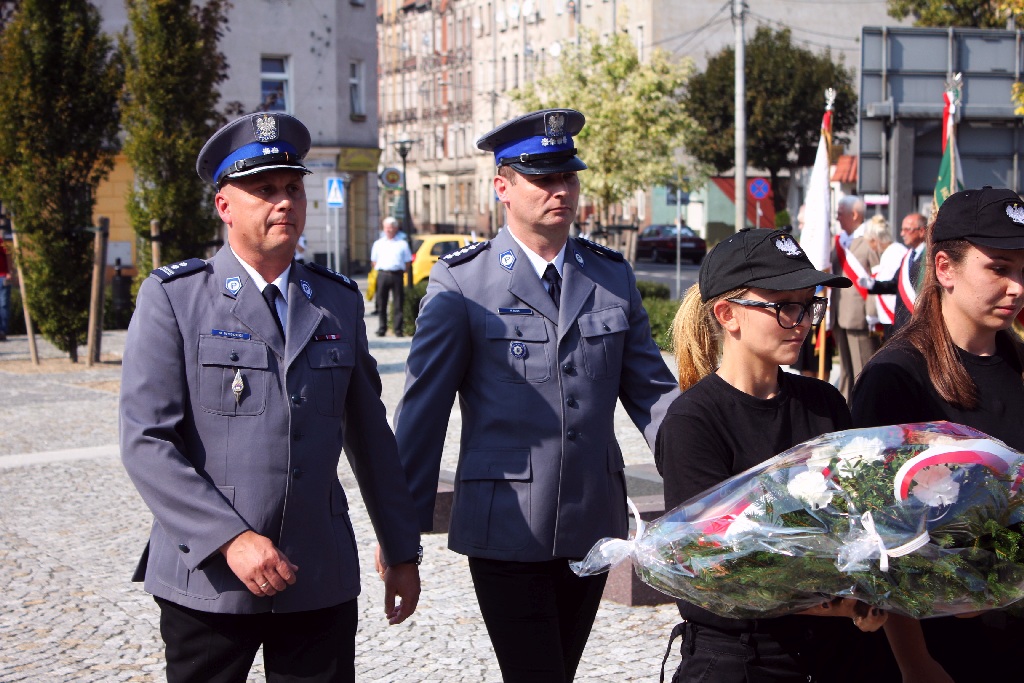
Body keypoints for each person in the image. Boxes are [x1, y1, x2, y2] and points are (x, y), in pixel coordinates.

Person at [119, 112, 422, 683]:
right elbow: (147, 441)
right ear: (224, 206)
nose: (283, 202)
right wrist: (229, 539)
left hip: (318, 571)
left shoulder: (336, 302)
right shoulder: (175, 299)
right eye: (263, 190)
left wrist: (402, 549)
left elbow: (370, 436)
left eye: (292, 188)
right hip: (210, 578)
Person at [390, 108, 680, 682]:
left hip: (592, 521)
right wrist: (402, 540)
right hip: (504, 525)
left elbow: (653, 396)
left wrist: (712, 476)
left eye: (568, 177)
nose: (560, 191)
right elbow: (421, 416)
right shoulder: (462, 283)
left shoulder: (610, 277)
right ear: (503, 186)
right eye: (543, 178)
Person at [657, 227, 885, 683]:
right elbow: (715, 568)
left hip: (840, 655)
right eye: (784, 306)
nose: (802, 321)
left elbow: (864, 521)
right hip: (746, 657)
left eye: (809, 304)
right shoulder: (694, 422)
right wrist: (846, 603)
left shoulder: (824, 403)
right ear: (728, 314)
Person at [851, 187, 1024, 683]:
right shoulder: (897, 377)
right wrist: (915, 662)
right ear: (944, 268)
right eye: (999, 268)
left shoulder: (1017, 363)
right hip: (942, 651)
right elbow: (880, 534)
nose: (1016, 286)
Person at [831, 195, 880, 400]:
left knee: (862, 368)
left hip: (859, 316)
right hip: (839, 312)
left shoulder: (870, 240)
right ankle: (845, 408)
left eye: (840, 214)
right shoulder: (839, 241)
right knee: (845, 371)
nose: (837, 218)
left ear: (854, 214)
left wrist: (871, 313)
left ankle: (865, 407)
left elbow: (876, 279)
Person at [860, 212, 928, 336]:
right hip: (901, 322)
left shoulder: (928, 256)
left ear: (922, 231)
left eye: (907, 230)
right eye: (902, 230)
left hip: (916, 322)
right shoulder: (908, 256)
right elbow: (895, 284)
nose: (902, 234)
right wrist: (873, 285)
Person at [862, 215, 907, 341]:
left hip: (896, 314)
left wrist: (874, 285)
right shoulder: (890, 252)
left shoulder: (895, 252)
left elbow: (894, 285)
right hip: (889, 315)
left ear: (875, 240)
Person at [370, 216, 412, 337]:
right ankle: (382, 327)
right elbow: (374, 261)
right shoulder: (378, 244)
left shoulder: (402, 243)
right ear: (383, 228)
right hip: (383, 274)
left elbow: (408, 261)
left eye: (391, 227)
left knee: (399, 302)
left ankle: (398, 329)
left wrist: (403, 271)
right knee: (381, 302)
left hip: (397, 274)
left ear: (395, 228)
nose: (388, 230)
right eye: (386, 227)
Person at [0, 235, 10, 341]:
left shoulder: (0, 240)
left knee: (3, 304)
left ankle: (2, 331)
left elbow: (8, 254)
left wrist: (9, 272)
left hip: (2, 277)